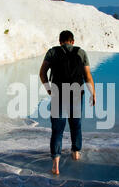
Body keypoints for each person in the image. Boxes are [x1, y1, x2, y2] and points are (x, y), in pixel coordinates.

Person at [39, 31, 96, 175]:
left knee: (57, 130)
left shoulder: (52, 52)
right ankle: (76, 152)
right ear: (72, 41)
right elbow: (87, 76)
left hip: (58, 93)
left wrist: (49, 90)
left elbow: (42, 73)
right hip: (77, 93)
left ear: (60, 42)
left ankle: (55, 163)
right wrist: (93, 93)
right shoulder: (80, 52)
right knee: (75, 125)